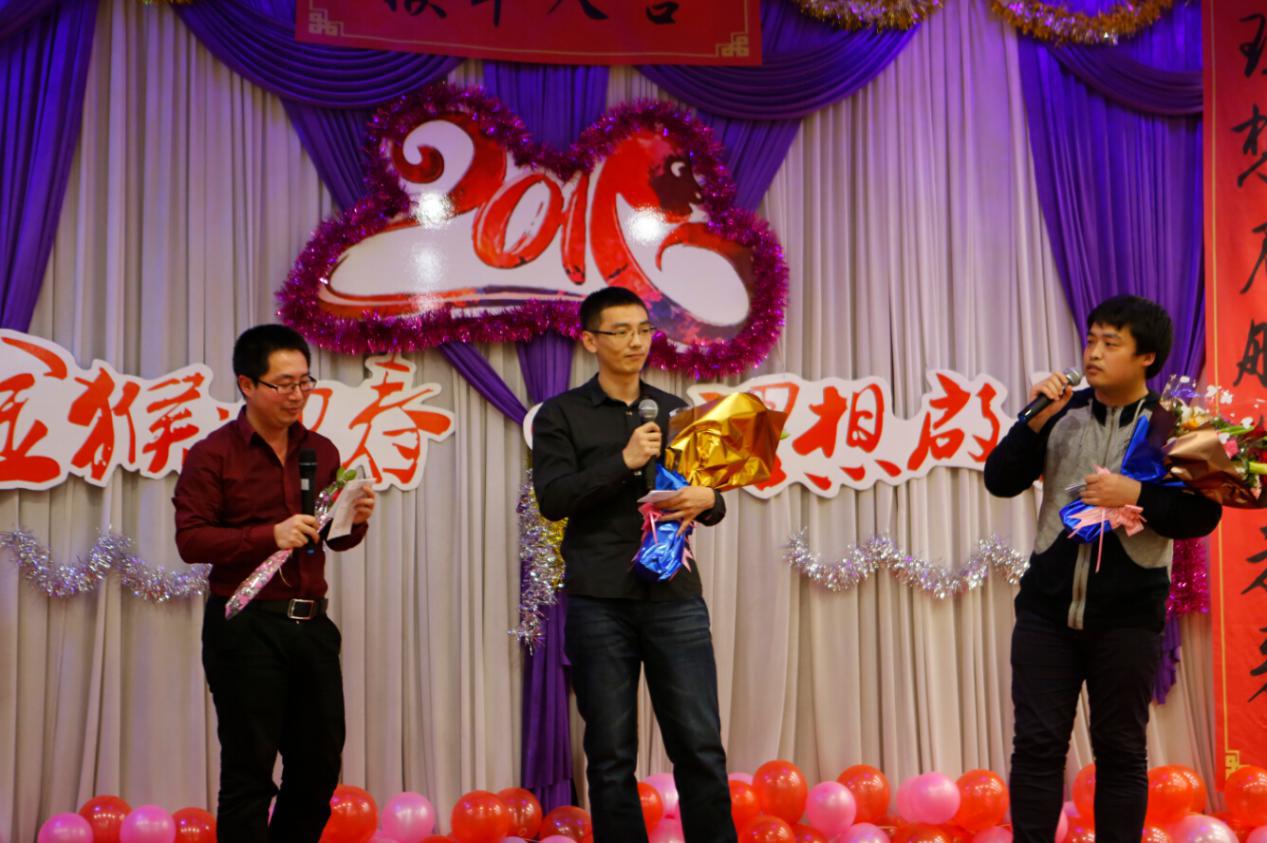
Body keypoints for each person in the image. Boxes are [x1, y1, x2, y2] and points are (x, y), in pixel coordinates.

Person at [984, 295, 1221, 843]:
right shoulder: (1061, 412)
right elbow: (1000, 479)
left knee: (1120, 751)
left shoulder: (1173, 425)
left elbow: (1201, 516)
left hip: (1129, 619)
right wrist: (1035, 421)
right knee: (1036, 748)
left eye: (1111, 343)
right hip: (1046, 614)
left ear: (1146, 357)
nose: (1093, 353)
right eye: (1091, 340)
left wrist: (1134, 493)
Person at [532, 287, 736, 843]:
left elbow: (710, 496)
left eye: (643, 330)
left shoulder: (676, 411)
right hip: (600, 600)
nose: (635, 342)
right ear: (589, 340)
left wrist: (709, 499)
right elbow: (554, 498)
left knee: (699, 744)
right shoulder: (561, 415)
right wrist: (623, 461)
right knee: (610, 752)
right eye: (620, 331)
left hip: (675, 597)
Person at [173, 324, 376, 842]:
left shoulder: (321, 451)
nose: (297, 395)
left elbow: (330, 540)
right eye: (283, 384)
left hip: (312, 627)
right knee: (250, 770)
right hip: (245, 628)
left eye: (305, 382)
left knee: (318, 765)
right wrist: (270, 534)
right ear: (247, 384)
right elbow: (191, 540)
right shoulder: (213, 454)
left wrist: (354, 520)